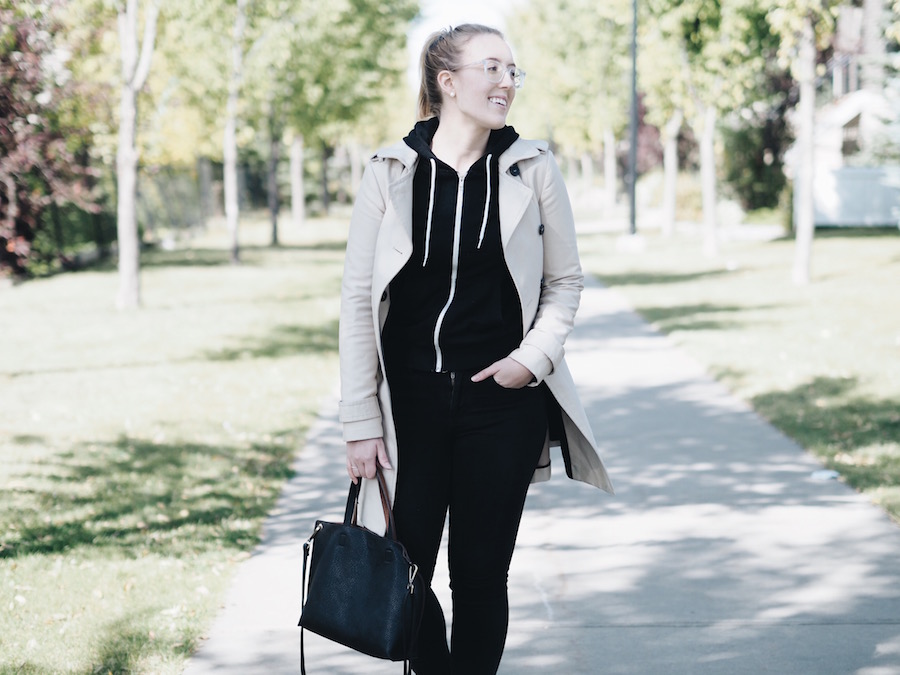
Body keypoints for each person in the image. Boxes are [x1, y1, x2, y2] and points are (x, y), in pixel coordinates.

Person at [338, 23, 613, 675]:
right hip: (409, 406)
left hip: (502, 407)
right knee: (405, 572)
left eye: (513, 71)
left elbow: (564, 280)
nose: (506, 83)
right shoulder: (390, 173)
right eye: (492, 68)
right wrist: (359, 419)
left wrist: (531, 360)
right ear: (448, 81)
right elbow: (356, 298)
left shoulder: (531, 168)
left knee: (481, 577)